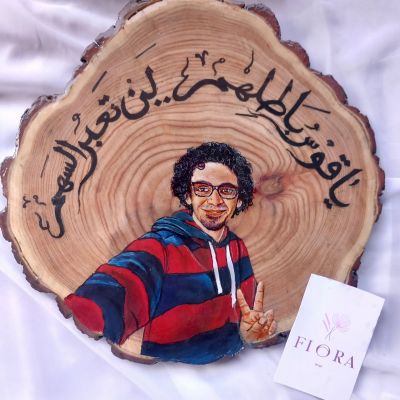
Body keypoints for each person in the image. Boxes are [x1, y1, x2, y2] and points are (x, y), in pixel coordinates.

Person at [64, 142, 276, 364]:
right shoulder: (162, 245)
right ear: (188, 195)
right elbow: (127, 277)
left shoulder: (237, 248)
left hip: (231, 367)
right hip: (164, 370)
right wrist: (96, 306)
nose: (215, 201)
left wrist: (247, 334)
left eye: (227, 191)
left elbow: (245, 317)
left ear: (239, 199)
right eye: (202, 189)